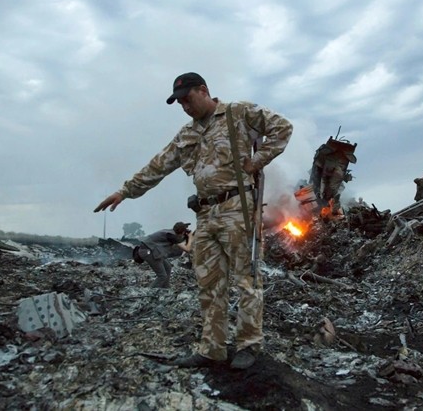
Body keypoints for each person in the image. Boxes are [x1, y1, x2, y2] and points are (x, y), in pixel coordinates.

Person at [94, 72, 293, 370]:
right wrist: (125, 191)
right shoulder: (186, 135)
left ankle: (249, 345)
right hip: (205, 214)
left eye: (188, 99)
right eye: (180, 103)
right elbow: (158, 165)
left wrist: (257, 160)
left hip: (238, 208)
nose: (185, 107)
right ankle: (212, 349)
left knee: (247, 279)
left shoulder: (238, 113)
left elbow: (282, 128)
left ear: (204, 91)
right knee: (210, 283)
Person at [132, 221, 193, 288]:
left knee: (168, 267)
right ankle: (149, 291)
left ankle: (165, 287)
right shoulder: (172, 236)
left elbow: (179, 239)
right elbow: (187, 249)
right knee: (162, 276)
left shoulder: (170, 232)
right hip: (148, 252)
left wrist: (185, 236)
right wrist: (190, 237)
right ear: (182, 232)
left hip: (153, 251)